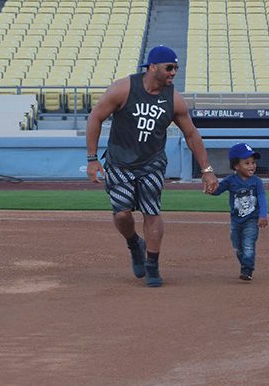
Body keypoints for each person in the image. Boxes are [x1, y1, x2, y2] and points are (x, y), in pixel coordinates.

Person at [86, 45, 219, 287]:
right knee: (122, 213)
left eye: (176, 69)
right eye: (169, 67)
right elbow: (95, 117)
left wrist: (207, 170)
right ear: (152, 67)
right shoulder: (124, 88)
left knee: (152, 211)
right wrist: (92, 159)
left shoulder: (174, 99)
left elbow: (191, 134)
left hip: (152, 163)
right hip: (119, 162)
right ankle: (134, 243)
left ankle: (152, 264)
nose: (173, 73)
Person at [212, 142, 268, 281]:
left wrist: (263, 215)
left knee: (248, 244)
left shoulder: (257, 181)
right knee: (237, 246)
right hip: (236, 220)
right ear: (236, 166)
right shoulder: (230, 180)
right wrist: (210, 188)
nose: (252, 166)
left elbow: (262, 198)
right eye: (247, 163)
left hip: (252, 219)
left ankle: (247, 270)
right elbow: (217, 190)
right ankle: (245, 264)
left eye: (253, 163)